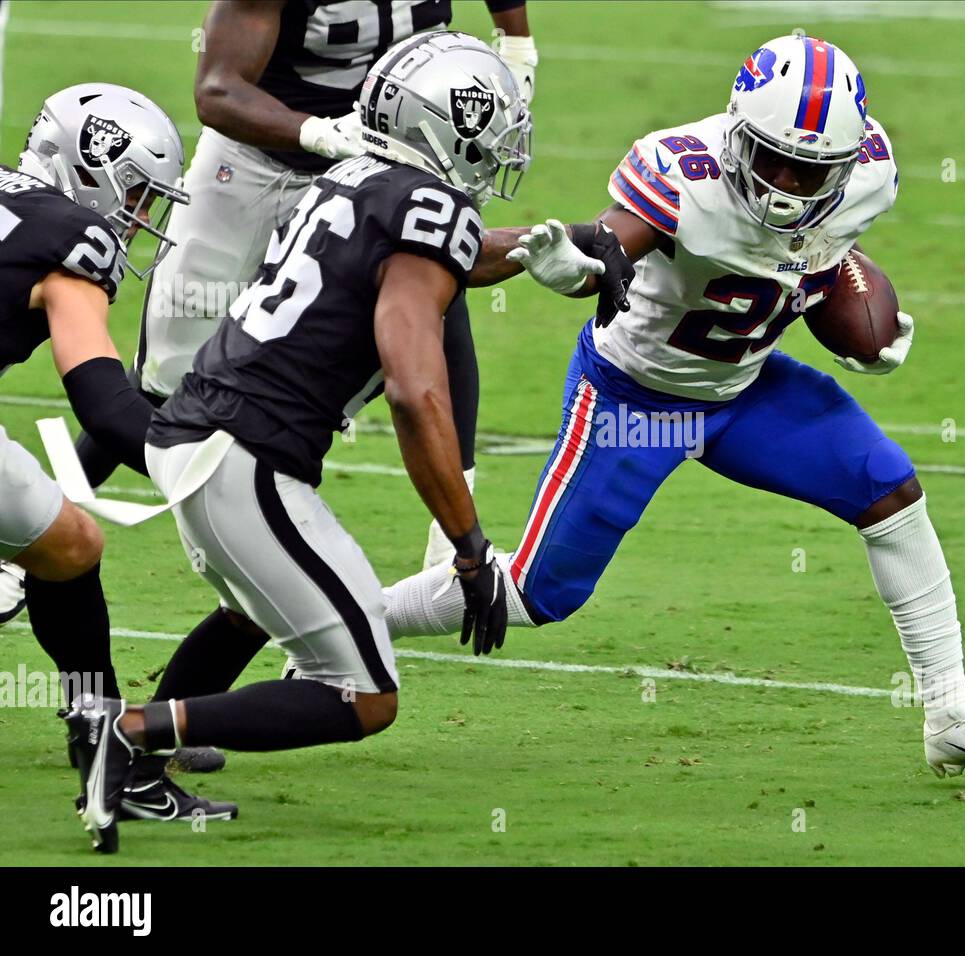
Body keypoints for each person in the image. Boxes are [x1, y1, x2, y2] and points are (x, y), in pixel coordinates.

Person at [384, 32, 965, 778]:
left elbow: (818, 260)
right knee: (535, 594)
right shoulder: (682, 171)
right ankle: (354, 623)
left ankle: (951, 714)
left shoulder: (869, 173)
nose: (790, 185)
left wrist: (863, 328)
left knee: (889, 490)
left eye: (812, 170)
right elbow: (606, 248)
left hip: (746, 385)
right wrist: (577, 264)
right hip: (634, 398)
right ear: (738, 132)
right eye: (773, 160)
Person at [64, 31, 631, 854]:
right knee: (364, 696)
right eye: (495, 123)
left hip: (204, 436)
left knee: (256, 606)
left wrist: (539, 243)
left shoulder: (356, 177)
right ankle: (125, 735)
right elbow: (413, 387)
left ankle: (144, 764)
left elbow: (427, 258)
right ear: (449, 126)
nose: (508, 142)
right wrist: (468, 548)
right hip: (244, 459)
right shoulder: (429, 210)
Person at [0, 82, 235, 821]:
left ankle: (104, 748)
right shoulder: (73, 239)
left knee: (67, 544)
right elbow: (103, 402)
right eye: (136, 194)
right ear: (91, 166)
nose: (138, 218)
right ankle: (112, 757)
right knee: (70, 547)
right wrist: (201, 463)